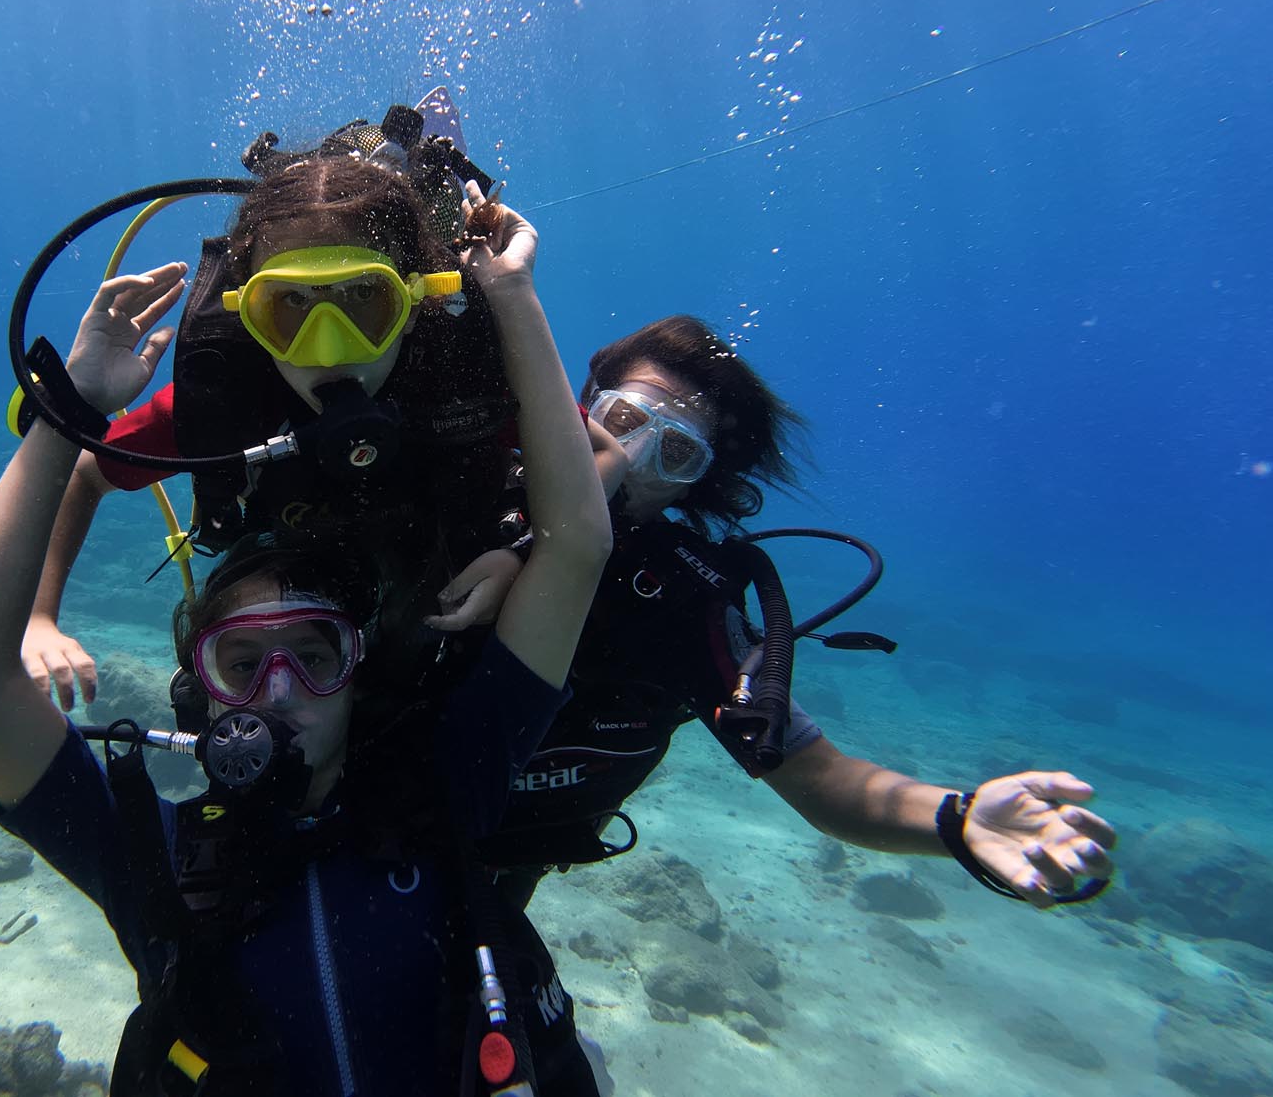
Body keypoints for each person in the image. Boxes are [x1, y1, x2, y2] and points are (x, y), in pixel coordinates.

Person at [0, 190, 616, 1094]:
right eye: (242, 664)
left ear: (359, 675)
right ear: (196, 689)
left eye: (315, 658)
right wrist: (70, 408)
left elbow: (579, 544)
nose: (279, 689)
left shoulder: (452, 787)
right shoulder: (156, 863)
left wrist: (511, 297)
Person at [479, 315, 1118, 911]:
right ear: (583, 407)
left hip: (497, 869)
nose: (632, 457)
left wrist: (959, 818)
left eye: (675, 451)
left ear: (696, 484)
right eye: (624, 419)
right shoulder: (463, 497)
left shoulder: (685, 604)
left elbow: (825, 781)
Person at [18, 137, 621, 710]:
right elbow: (85, 475)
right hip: (298, 648)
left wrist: (520, 550)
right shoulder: (224, 405)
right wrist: (38, 617)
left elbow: (607, 454)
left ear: (415, 304)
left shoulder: (461, 380)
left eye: (365, 299)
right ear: (247, 313)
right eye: (290, 305)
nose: (328, 349)